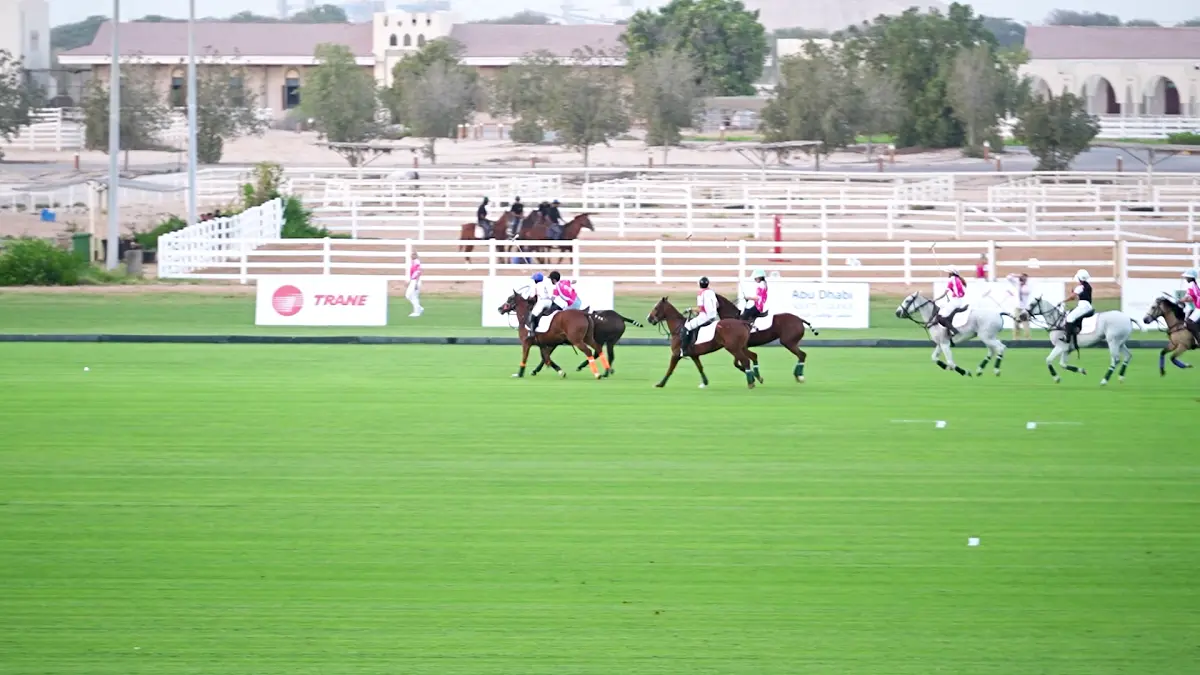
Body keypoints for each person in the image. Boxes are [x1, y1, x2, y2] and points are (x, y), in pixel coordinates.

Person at [680, 276, 719, 356]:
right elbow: (717, 304)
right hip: (714, 316)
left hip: (705, 317)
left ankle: (684, 350)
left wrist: (690, 309)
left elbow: (700, 309)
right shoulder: (711, 292)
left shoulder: (701, 294)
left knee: (686, 327)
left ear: (700, 284)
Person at [932, 266, 969, 338]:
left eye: (949, 272)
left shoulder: (951, 279)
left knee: (941, 317)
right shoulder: (959, 279)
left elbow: (944, 294)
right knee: (943, 308)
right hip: (958, 301)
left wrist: (935, 299)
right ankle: (948, 331)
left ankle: (954, 331)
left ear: (952, 273)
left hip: (955, 302)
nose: (948, 274)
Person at [1063, 269, 1094, 350]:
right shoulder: (1088, 286)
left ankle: (1067, 338)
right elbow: (1081, 297)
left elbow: (1072, 297)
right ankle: (1075, 329)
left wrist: (1063, 301)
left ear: (1079, 278)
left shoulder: (1080, 287)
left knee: (1069, 318)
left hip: (1083, 306)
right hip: (1088, 306)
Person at [1006, 272, 1032, 339]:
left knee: (1025, 323)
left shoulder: (1027, 287)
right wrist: (1017, 275)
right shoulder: (1017, 284)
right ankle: (1016, 338)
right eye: (1022, 277)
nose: (1023, 279)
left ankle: (1028, 338)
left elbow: (1026, 292)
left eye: (1025, 278)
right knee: (1016, 323)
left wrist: (1020, 286)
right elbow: (1008, 277)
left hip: (1024, 308)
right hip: (1017, 307)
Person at [1182, 269, 1200, 344]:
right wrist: (1183, 299)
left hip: (1199, 307)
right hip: (1197, 307)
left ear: (1190, 277)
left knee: (1189, 323)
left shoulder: (1191, 284)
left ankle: (1198, 340)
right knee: (1188, 322)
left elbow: (1194, 296)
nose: (1185, 278)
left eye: (1186, 277)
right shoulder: (1192, 284)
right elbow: (1191, 297)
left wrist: (1182, 300)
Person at [405, 250, 423, 317]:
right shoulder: (413, 262)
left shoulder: (417, 263)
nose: (411, 256)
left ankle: (417, 311)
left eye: (413, 254)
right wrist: (410, 282)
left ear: (415, 255)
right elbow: (413, 274)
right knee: (409, 295)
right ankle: (419, 308)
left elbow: (418, 273)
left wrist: (416, 283)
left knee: (413, 296)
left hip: (415, 281)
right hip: (413, 281)